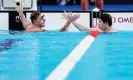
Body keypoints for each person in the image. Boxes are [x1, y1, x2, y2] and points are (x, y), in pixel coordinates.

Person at [16, 5, 80, 32]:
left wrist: (20, 12)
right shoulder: (40, 31)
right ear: (35, 22)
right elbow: (61, 32)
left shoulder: (28, 26)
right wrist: (69, 21)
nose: (44, 20)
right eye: (41, 18)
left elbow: (22, 18)